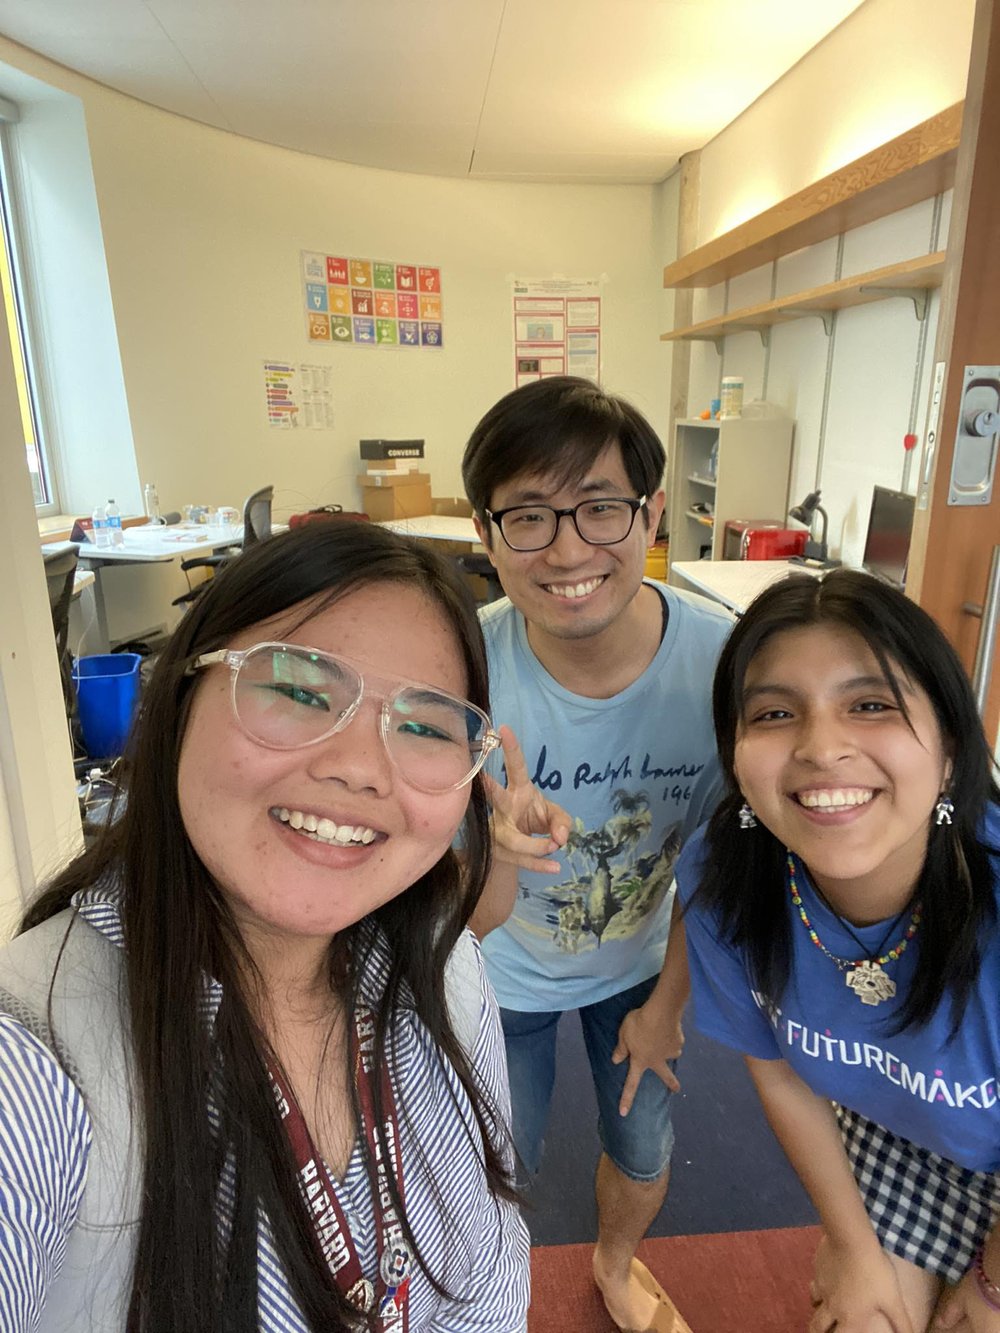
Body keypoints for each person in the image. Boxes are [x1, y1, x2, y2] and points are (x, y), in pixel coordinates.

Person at [0, 521, 529, 1332]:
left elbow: (489, 1272)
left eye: (424, 726)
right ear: (180, 694)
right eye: (297, 687)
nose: (358, 766)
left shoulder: (441, 960)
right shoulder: (38, 1057)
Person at [462, 376, 732, 1333]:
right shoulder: (463, 667)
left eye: (601, 508)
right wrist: (491, 854)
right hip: (495, 968)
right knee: (490, 1167)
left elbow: (721, 856)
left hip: (641, 965)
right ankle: (487, 1297)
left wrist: (669, 1002)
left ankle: (616, 1265)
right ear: (487, 533)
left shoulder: (721, 664)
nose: (569, 549)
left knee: (645, 1145)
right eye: (529, 516)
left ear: (653, 512)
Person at [677, 568, 1000, 1333]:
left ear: (949, 748)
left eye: (870, 704)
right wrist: (854, 1248)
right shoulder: (726, 877)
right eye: (776, 711)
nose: (822, 747)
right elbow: (781, 1072)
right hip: (898, 1138)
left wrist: (990, 1286)